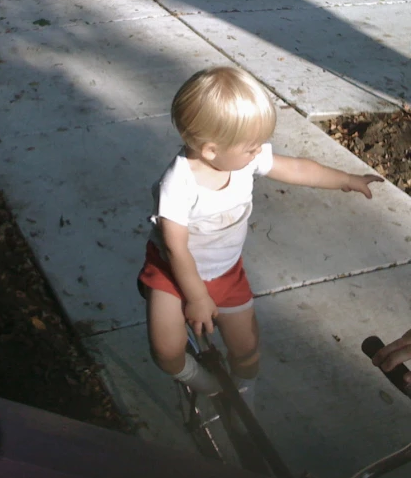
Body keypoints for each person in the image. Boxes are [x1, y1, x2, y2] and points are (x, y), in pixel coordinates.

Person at [137, 66, 384, 413]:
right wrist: (196, 297)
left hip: (225, 271)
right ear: (210, 150)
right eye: (252, 147)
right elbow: (176, 249)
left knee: (247, 348)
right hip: (173, 275)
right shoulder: (177, 186)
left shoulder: (241, 158)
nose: (259, 152)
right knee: (166, 350)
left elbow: (297, 168)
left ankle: (243, 390)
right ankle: (202, 382)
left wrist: (344, 178)